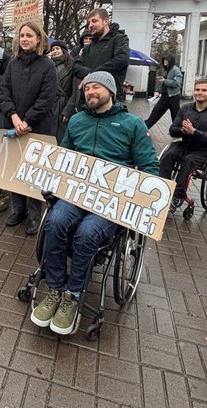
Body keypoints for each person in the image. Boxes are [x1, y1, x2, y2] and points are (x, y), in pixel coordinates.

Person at [30, 71, 160, 335]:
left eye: (96, 87)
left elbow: (150, 167)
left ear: (111, 91)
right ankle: (55, 289)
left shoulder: (133, 124)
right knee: (54, 222)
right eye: (87, 88)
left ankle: (73, 295)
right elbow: (64, 157)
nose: (90, 92)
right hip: (77, 192)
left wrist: (142, 199)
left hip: (110, 200)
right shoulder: (77, 121)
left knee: (87, 233)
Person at [0, 21, 58, 234]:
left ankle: (34, 214)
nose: (24, 39)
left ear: (39, 39)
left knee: (35, 172)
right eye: (22, 35)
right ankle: (18, 210)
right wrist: (14, 116)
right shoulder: (13, 64)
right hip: (14, 125)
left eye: (29, 36)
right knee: (16, 168)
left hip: (37, 128)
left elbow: (47, 98)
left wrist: (28, 121)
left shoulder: (48, 66)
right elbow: (4, 91)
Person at [159, 78, 207, 211]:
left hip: (203, 150)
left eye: (204, 90)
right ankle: (163, 189)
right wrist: (182, 130)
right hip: (184, 144)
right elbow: (172, 130)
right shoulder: (185, 109)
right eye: (197, 90)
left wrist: (195, 132)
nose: (199, 92)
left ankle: (177, 196)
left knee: (189, 161)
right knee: (168, 155)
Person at [72, 8, 130, 102]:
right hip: (88, 100)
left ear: (106, 21)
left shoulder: (119, 39)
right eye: (89, 22)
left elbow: (121, 59)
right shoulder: (88, 47)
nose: (90, 25)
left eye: (94, 21)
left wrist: (92, 74)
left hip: (111, 100)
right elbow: (75, 66)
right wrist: (92, 74)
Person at [144, 54, 183, 129]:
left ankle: (177, 131)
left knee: (175, 115)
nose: (165, 61)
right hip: (165, 96)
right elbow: (164, 83)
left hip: (173, 97)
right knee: (156, 112)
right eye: (164, 60)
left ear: (170, 61)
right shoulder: (166, 70)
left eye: (167, 60)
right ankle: (144, 127)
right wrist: (159, 91)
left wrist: (165, 80)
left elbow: (177, 83)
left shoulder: (176, 70)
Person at [49, 39, 74, 142]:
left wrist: (68, 110)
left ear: (63, 50)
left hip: (64, 106)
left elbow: (75, 92)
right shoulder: (47, 66)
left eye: (57, 48)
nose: (54, 51)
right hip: (50, 107)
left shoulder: (72, 66)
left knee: (62, 139)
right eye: (52, 49)